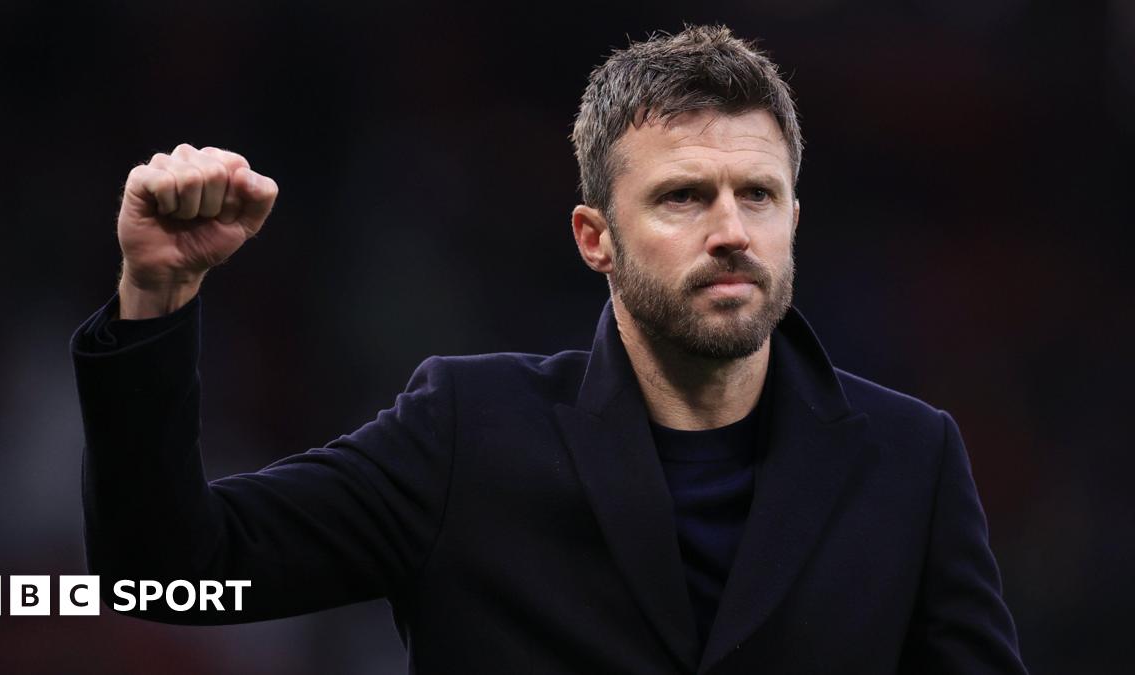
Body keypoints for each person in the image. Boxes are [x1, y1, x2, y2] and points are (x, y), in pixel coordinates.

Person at [71, 24, 1027, 674]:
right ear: (593, 237)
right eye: (684, 196)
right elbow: (165, 570)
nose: (732, 229)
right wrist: (155, 295)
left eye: (759, 194)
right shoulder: (467, 434)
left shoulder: (911, 458)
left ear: (794, 218)